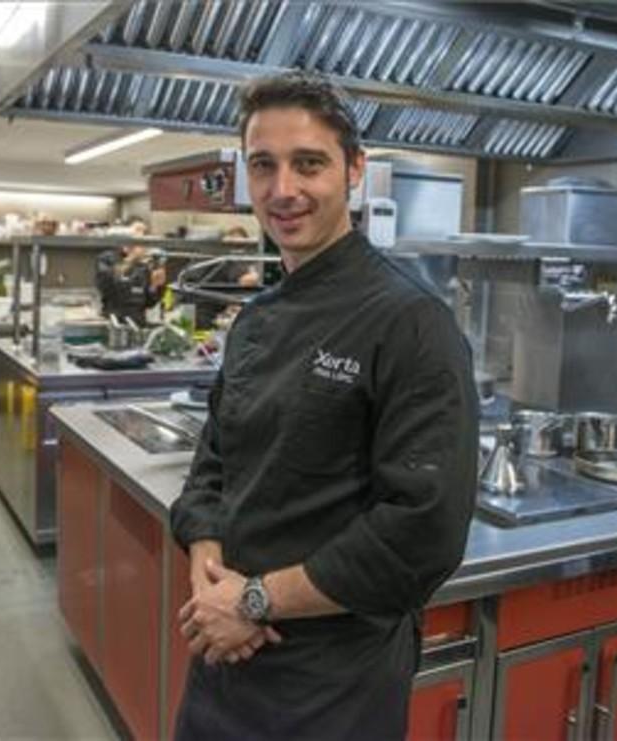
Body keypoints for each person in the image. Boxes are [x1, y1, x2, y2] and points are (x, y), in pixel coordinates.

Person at [168, 72, 478, 739]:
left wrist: (254, 598)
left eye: (309, 163)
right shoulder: (256, 319)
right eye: (263, 166)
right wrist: (206, 554)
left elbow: (423, 529)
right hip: (225, 659)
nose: (284, 190)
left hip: (333, 685)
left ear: (355, 169)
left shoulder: (409, 321)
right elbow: (216, 460)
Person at [95, 238, 167, 326]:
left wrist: (154, 286)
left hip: (137, 322)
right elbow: (106, 288)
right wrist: (131, 259)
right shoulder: (108, 259)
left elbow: (150, 303)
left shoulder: (144, 268)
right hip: (114, 322)